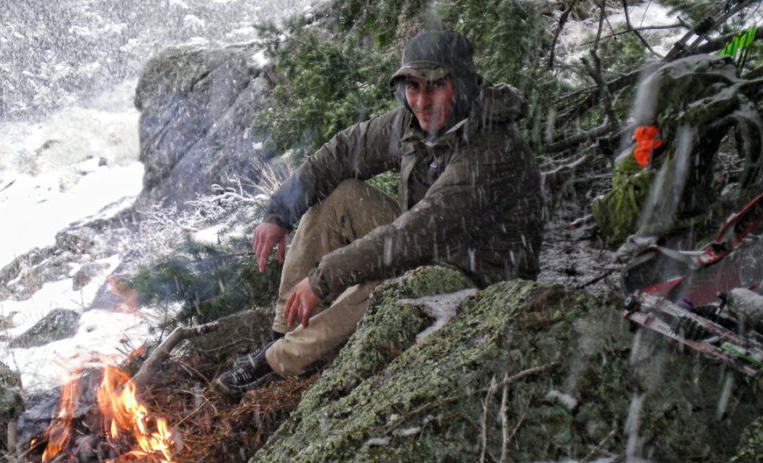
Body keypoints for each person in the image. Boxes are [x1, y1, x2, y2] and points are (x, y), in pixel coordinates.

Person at [215, 29, 545, 397]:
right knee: (339, 197)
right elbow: (344, 151)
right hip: (431, 247)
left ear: (462, 85)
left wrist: (322, 279)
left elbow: (412, 236)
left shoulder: (489, 148)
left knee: (384, 279)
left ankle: (284, 361)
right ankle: (282, 332)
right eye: (413, 87)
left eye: (434, 87)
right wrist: (279, 213)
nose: (421, 101)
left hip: (481, 278)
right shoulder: (412, 122)